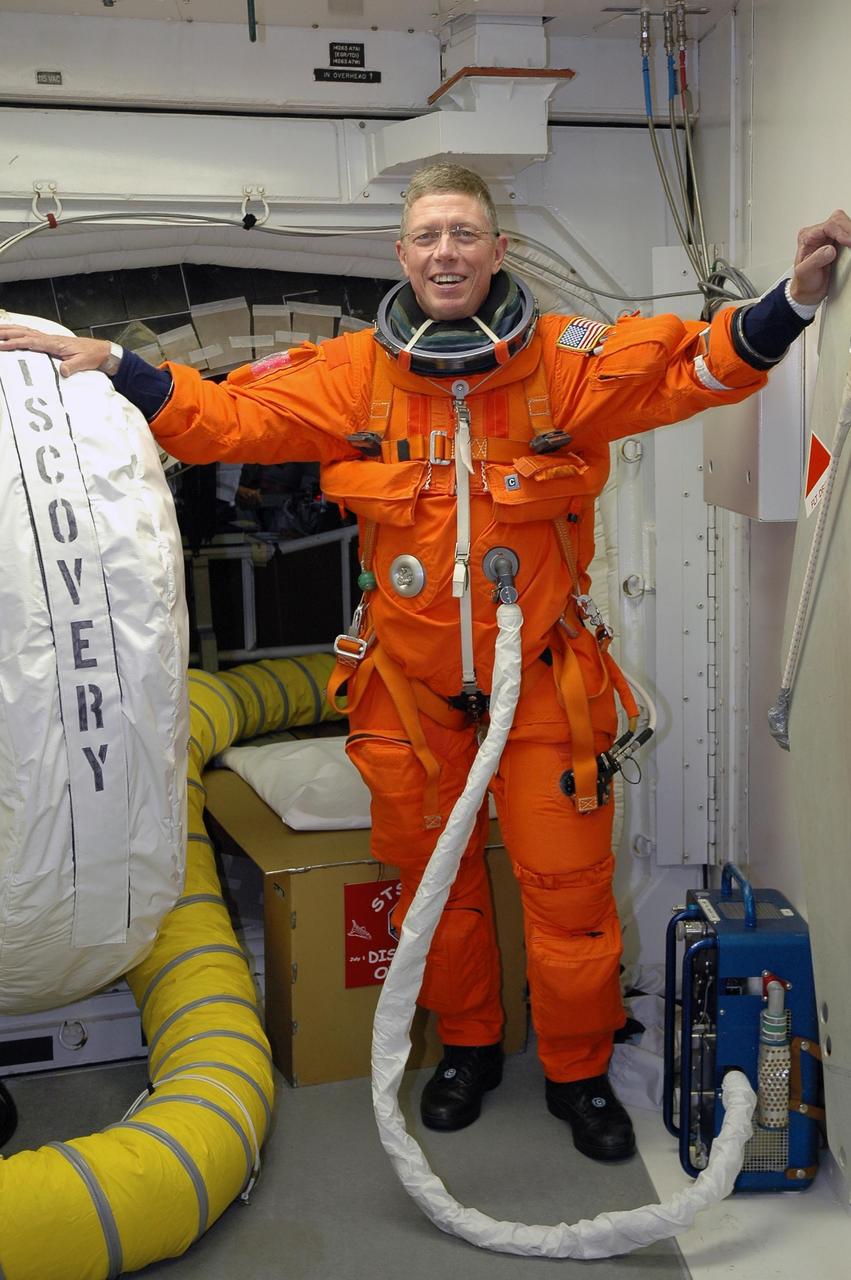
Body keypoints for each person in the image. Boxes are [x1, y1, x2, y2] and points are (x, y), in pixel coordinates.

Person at [2, 168, 849, 1163]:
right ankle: (469, 1048)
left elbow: (695, 367)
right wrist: (113, 363)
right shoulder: (348, 372)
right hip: (407, 696)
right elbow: (222, 417)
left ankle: (576, 1069)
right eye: (425, 236)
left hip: (540, 684)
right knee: (430, 890)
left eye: (463, 233)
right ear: (400, 257)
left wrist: (792, 299)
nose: (444, 251)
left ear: (495, 250)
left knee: (569, 900)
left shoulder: (565, 364)